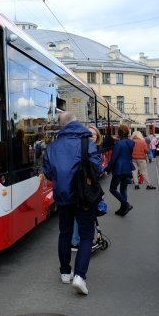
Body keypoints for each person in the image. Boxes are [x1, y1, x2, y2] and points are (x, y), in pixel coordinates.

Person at [43, 112, 103, 295]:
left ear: (62, 126)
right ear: (77, 123)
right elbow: (97, 169)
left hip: (62, 196)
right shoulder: (87, 143)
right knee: (86, 236)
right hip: (84, 196)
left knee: (65, 232)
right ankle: (79, 276)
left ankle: (64, 272)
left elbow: (47, 172)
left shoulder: (52, 146)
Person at [71, 125, 102, 251]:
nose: (91, 137)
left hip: (86, 186)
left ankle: (76, 240)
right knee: (82, 214)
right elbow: (96, 169)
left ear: (97, 137)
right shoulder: (85, 149)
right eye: (88, 134)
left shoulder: (92, 148)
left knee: (79, 215)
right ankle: (77, 242)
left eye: (93, 135)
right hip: (82, 187)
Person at [105, 124, 135, 216]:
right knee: (123, 188)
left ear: (119, 133)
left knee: (112, 189)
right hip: (128, 168)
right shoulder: (131, 142)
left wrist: (108, 169)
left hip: (119, 170)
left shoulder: (118, 144)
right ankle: (123, 209)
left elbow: (114, 158)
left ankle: (126, 205)